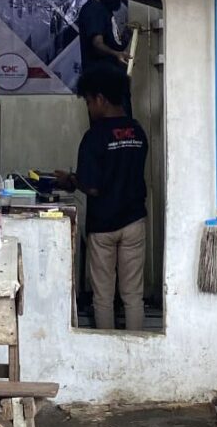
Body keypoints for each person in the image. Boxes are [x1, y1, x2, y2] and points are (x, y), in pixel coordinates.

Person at [55, 65, 148, 331]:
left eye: (88, 100)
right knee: (133, 295)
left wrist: (71, 181)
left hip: (103, 226)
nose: (89, 107)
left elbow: (92, 187)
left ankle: (107, 360)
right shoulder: (137, 132)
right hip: (134, 221)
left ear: (100, 99)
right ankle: (138, 354)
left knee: (103, 297)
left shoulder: (94, 137)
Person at [77, 0, 132, 115]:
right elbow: (97, 44)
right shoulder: (93, 10)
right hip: (103, 84)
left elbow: (113, 43)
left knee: (123, 126)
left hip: (112, 80)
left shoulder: (104, 8)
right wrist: (117, 54)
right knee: (115, 127)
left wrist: (128, 35)